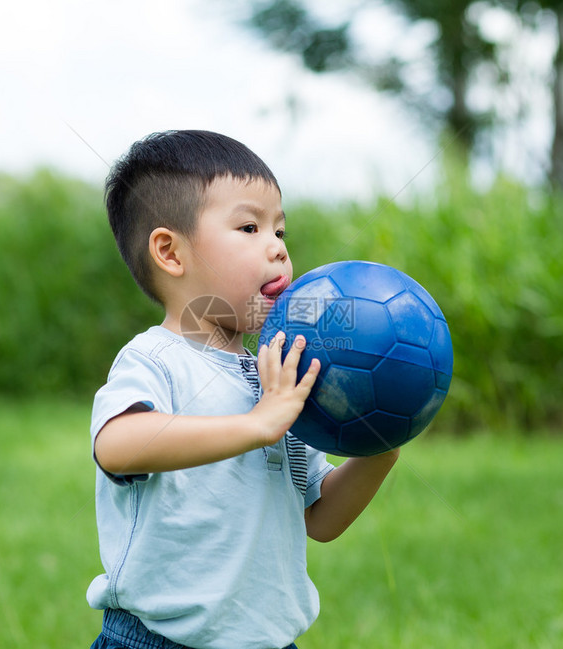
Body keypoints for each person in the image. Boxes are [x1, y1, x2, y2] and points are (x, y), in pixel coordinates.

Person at [88, 130, 399, 649]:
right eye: (250, 227)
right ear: (170, 252)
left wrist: (378, 450)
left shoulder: (275, 376)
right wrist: (257, 425)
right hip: (158, 642)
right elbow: (117, 447)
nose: (277, 248)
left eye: (280, 230)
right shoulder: (157, 360)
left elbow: (319, 518)